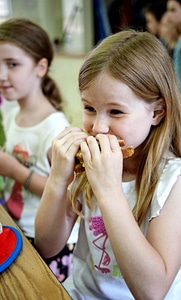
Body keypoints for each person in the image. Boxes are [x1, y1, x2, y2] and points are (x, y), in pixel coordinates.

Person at [35, 29, 181, 299]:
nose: (98, 128)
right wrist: (57, 179)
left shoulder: (179, 182)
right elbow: (46, 246)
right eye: (89, 108)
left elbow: (152, 291)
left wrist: (109, 190)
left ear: (156, 112)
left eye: (116, 111)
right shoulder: (90, 164)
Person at [0, 18, 78, 282]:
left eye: (12, 64)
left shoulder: (55, 128)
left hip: (45, 240)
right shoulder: (10, 115)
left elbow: (68, 194)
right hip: (15, 225)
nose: (1, 75)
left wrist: (14, 170)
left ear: (40, 67)